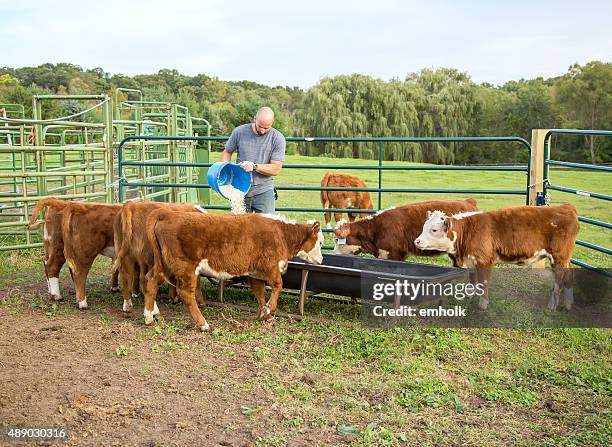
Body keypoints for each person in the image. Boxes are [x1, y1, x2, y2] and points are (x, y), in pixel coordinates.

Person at [220, 106, 286, 214]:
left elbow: (276, 169)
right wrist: (224, 172)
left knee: (266, 228)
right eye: (260, 126)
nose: (262, 130)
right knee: (239, 227)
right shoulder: (239, 132)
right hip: (239, 189)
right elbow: (227, 152)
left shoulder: (278, 138)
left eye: (266, 128)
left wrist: (254, 166)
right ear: (254, 119)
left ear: (272, 123)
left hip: (264, 190)